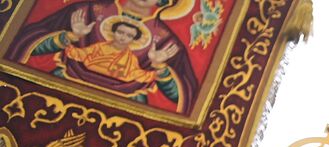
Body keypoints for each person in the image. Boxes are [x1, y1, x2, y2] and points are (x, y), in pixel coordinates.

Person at [9, 1, 198, 113]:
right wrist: (70, 37)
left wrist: (159, 67)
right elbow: (26, 44)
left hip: (128, 106)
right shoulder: (87, 11)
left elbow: (183, 97)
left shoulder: (166, 40)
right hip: (58, 86)